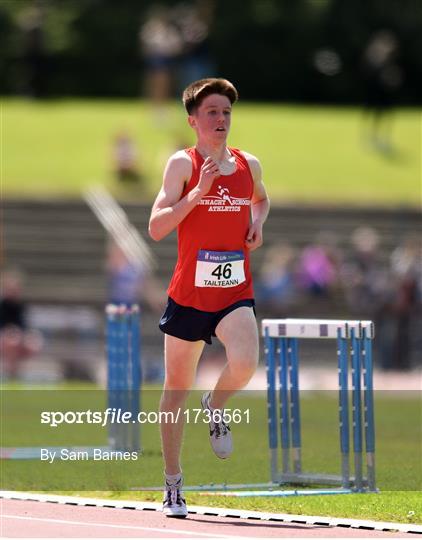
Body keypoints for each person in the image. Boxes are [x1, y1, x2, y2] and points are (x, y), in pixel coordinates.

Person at [149, 78, 270, 518]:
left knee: (245, 362)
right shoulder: (182, 164)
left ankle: (215, 404)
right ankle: (173, 484)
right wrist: (198, 191)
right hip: (188, 295)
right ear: (193, 121)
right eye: (212, 113)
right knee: (174, 392)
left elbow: (262, 199)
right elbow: (157, 227)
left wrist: (258, 222)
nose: (221, 120)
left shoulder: (247, 164)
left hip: (234, 290)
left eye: (226, 112)